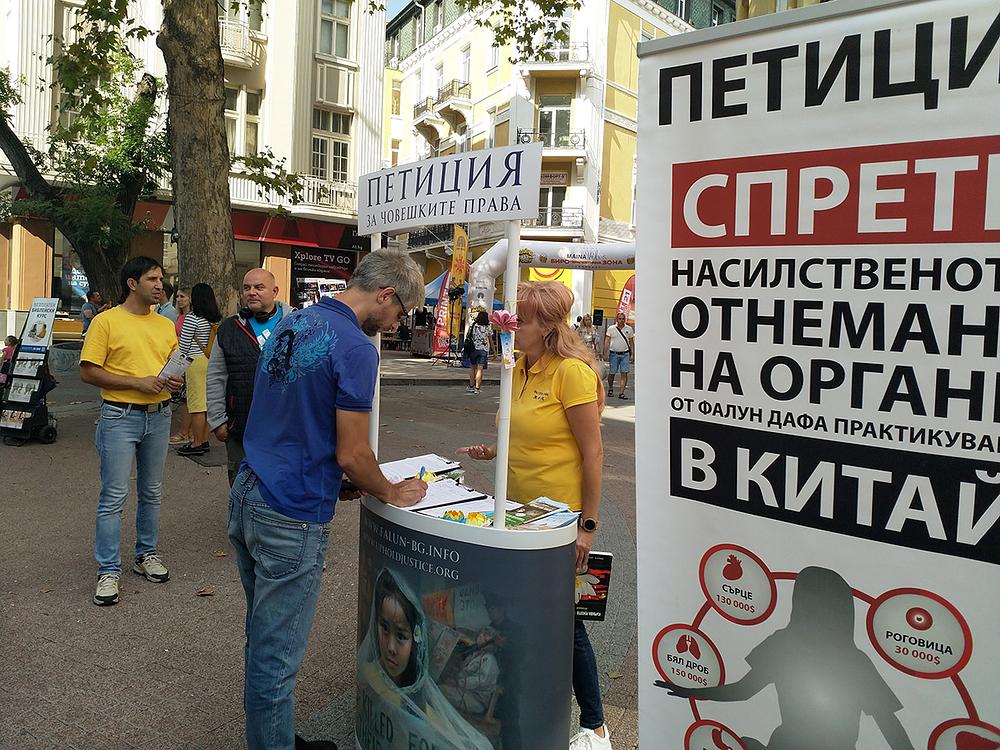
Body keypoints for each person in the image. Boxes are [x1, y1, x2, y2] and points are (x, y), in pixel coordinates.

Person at [229, 250, 428, 750]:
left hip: (250, 489)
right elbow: (353, 453)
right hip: (291, 512)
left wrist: (336, 476)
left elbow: (291, 412)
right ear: (386, 295)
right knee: (276, 658)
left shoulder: (293, 321)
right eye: (400, 311)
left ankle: (274, 736)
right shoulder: (357, 347)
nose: (396, 323)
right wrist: (389, 489)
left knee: (264, 637)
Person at [457, 281, 610, 750]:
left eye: (519, 320)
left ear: (546, 326)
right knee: (514, 615)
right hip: (516, 515)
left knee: (566, 623)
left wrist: (586, 526)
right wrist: (493, 451)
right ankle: (517, 708)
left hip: (558, 521)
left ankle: (596, 726)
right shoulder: (517, 366)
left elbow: (593, 453)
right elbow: (526, 433)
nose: (508, 326)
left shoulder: (572, 373)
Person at [659, 567, 914, 750]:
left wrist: (691, 692)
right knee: (745, 743)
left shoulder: (787, 645)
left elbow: (742, 691)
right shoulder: (852, 660)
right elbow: (889, 723)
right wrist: (690, 691)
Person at [79, 256, 183, 607]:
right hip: (120, 416)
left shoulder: (164, 325)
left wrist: (175, 380)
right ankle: (108, 570)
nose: (160, 285)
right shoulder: (106, 321)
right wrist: (137, 383)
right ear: (132, 283)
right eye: (152, 279)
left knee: (152, 491)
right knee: (114, 496)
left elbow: (169, 367)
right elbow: (88, 372)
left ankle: (145, 554)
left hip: (160, 415)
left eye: (161, 279)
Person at [358, 569, 493, 750]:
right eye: (384, 627)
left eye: (401, 636)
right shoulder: (368, 677)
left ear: (416, 641)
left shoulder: (419, 701)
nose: (390, 648)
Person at [207, 268, 291, 485]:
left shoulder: (297, 324)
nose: (252, 292)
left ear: (275, 291)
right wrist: (217, 420)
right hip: (241, 427)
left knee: (283, 486)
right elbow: (216, 376)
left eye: (259, 287)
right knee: (241, 486)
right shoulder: (228, 328)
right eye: (247, 288)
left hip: (287, 428)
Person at [175, 283, 222, 457]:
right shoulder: (215, 318)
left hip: (195, 362)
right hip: (211, 361)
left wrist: (177, 367)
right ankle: (204, 439)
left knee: (196, 405)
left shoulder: (192, 318)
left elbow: (184, 346)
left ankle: (196, 443)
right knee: (207, 404)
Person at [169, 287, 193, 446]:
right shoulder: (179, 316)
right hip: (179, 357)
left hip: (188, 358)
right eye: (177, 296)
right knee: (183, 397)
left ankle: (185, 431)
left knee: (187, 398)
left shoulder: (191, 317)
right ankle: (187, 430)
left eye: (182, 296)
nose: (179, 299)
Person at [603, 312, 634, 400]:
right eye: (619, 319)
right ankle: (610, 388)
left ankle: (621, 392)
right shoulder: (611, 329)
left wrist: (632, 354)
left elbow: (631, 342)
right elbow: (607, 341)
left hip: (625, 354)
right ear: (616, 319)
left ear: (625, 319)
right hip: (614, 354)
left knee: (624, 373)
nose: (621, 320)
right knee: (612, 373)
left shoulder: (629, 329)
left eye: (623, 319)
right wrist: (605, 353)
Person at [465, 310, 491, 394]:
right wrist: (494, 351)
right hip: (483, 350)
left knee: (472, 368)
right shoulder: (488, 327)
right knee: (480, 369)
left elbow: (468, 336)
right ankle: (477, 388)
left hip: (473, 349)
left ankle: (471, 386)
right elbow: (490, 339)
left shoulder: (473, 325)